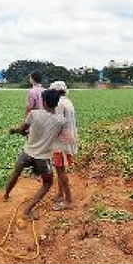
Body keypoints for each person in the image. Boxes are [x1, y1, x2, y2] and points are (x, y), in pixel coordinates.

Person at [2, 88, 67, 219]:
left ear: (44, 102)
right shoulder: (61, 121)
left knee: (16, 173)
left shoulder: (34, 114)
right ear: (56, 103)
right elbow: (58, 136)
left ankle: (6, 195)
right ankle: (27, 211)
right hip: (43, 158)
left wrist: (15, 131)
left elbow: (22, 130)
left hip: (27, 152)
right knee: (47, 183)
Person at [48, 80, 77, 210]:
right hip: (68, 138)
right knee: (59, 168)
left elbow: (57, 124)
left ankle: (68, 200)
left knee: (60, 170)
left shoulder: (59, 104)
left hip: (61, 141)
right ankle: (60, 194)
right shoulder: (68, 102)